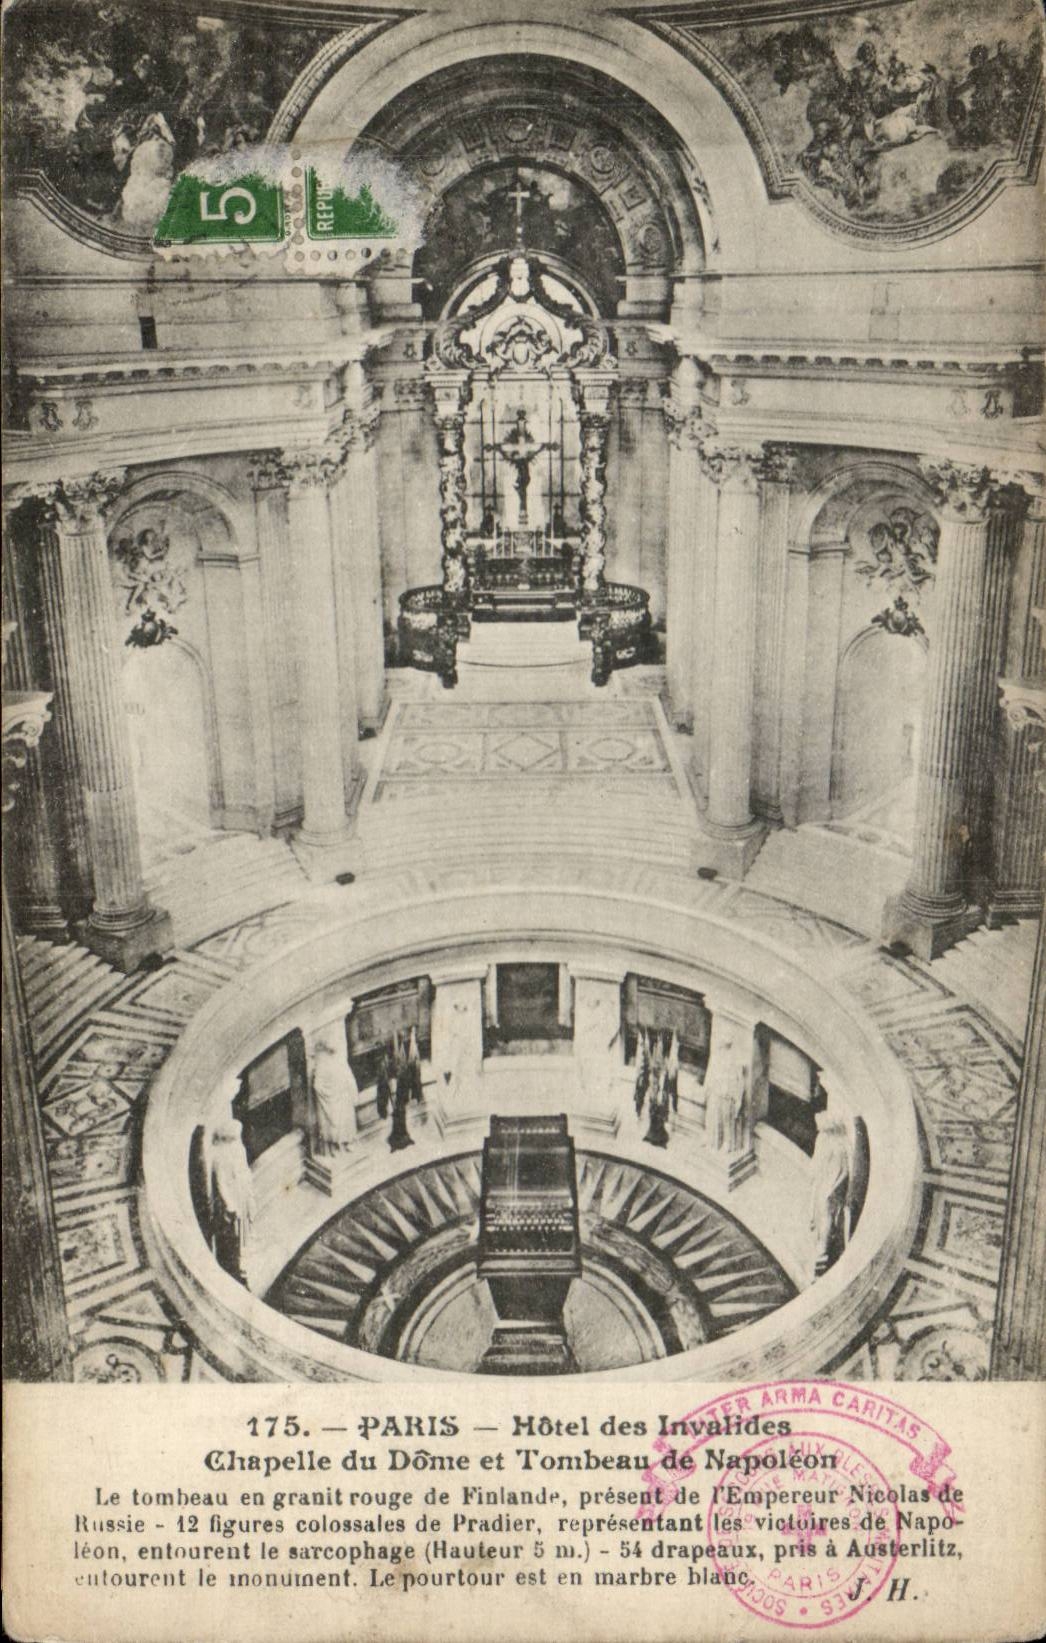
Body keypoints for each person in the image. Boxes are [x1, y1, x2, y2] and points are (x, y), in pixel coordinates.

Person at [209, 1119, 253, 1284]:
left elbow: (243, 1169)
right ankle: (238, 1269)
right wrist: (230, 1205)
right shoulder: (220, 1157)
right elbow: (221, 1183)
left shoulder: (236, 1149)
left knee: (243, 1231)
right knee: (236, 1235)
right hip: (235, 1199)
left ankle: (242, 1261)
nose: (237, 1139)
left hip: (242, 1194)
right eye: (235, 1137)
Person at [810, 1113, 851, 1276]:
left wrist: (832, 1189)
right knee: (822, 1216)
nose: (818, 1128)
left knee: (826, 1217)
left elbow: (845, 1172)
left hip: (830, 1189)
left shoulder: (839, 1146)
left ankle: (823, 1249)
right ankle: (821, 1245)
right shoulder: (824, 1140)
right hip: (825, 1185)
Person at [309, 1030, 358, 1156]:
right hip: (333, 1101)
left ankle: (345, 1143)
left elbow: (349, 1077)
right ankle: (335, 1146)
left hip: (344, 1099)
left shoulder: (340, 1061)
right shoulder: (322, 1064)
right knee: (334, 1125)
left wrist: (351, 1092)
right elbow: (317, 1085)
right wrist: (329, 1094)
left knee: (345, 1123)